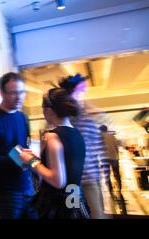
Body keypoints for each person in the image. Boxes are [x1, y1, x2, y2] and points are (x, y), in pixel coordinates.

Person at [19, 88, 90, 219]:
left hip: (57, 205)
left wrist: (30, 161)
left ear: (48, 110)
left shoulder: (52, 137)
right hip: (75, 200)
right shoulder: (77, 134)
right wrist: (36, 160)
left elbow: (58, 180)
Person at [0, 72, 37, 219]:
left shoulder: (22, 117)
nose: (19, 97)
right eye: (13, 93)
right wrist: (16, 161)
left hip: (28, 189)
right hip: (5, 193)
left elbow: (25, 147)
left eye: (22, 92)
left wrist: (32, 161)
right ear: (2, 93)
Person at [59, 74, 109, 219]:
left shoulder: (87, 116)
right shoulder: (67, 119)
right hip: (76, 179)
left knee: (97, 213)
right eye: (80, 91)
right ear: (70, 94)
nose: (83, 96)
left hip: (91, 177)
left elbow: (98, 145)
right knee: (82, 214)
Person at [99, 125, 127, 214]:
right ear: (106, 129)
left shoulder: (99, 138)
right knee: (116, 173)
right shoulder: (112, 136)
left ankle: (110, 190)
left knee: (107, 174)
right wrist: (117, 156)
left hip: (104, 158)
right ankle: (119, 188)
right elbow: (116, 147)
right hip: (114, 157)